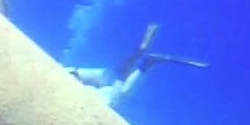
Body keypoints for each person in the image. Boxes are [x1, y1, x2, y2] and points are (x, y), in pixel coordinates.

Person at [67, 23, 208, 108]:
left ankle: (144, 56)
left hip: (92, 93)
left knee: (117, 87)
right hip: (89, 85)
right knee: (119, 86)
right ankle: (145, 57)